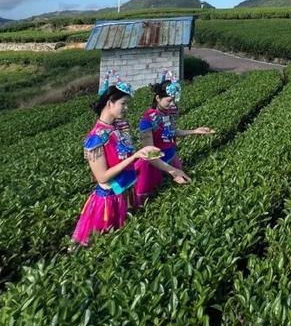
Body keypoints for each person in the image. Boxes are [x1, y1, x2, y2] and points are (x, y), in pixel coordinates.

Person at [71, 76, 158, 246]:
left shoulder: (120, 127)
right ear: (110, 103)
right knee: (101, 246)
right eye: (123, 103)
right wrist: (135, 156)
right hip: (109, 201)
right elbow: (102, 177)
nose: (126, 108)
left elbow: (124, 155)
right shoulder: (95, 138)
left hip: (125, 193)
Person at [135, 71, 214, 204]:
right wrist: (170, 170)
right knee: (150, 199)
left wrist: (194, 131)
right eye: (169, 101)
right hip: (154, 164)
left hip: (171, 156)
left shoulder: (168, 113)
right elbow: (149, 151)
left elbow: (171, 132)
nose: (172, 104)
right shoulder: (147, 120)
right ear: (158, 98)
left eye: (174, 101)